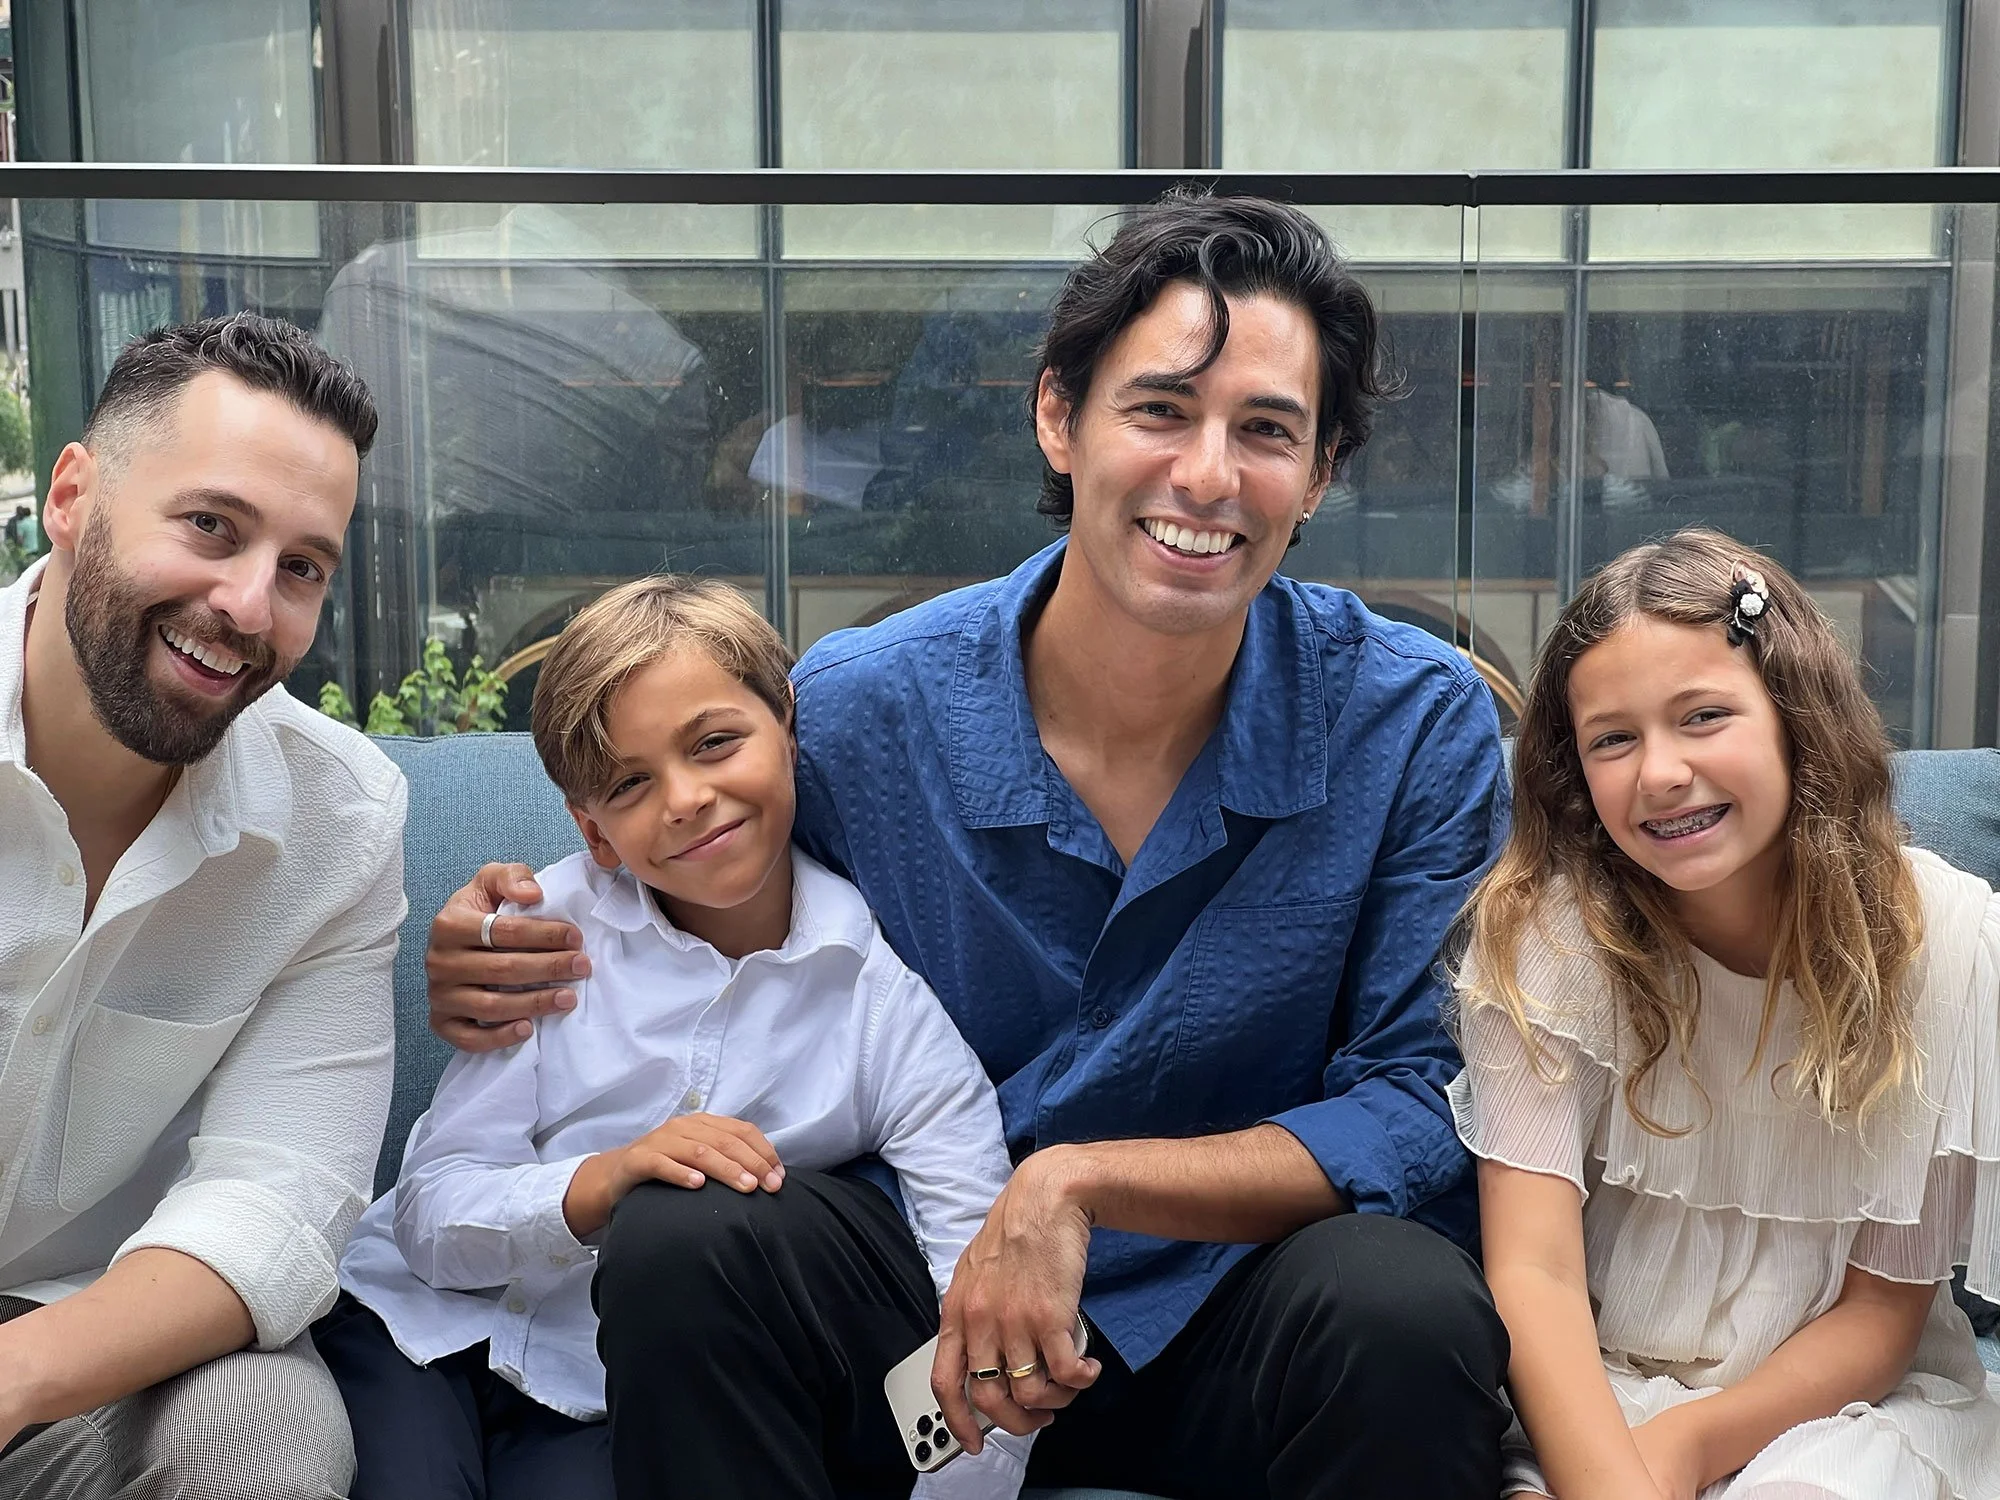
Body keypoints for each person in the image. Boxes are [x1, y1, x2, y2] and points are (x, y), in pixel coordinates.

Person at [424, 191, 1514, 1499]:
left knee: (1405, 1303)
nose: (1210, 475)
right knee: (693, 1236)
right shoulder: (864, 710)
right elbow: (689, 888)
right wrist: (506, 940)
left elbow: (1420, 1107)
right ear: (1060, 417)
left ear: (1321, 474)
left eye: (1267, 432)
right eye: (1160, 410)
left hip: (1251, 1337)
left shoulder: (1413, 717)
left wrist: (1076, 1184)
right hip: (932, 1359)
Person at [321, 575, 1027, 1500]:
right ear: (595, 833)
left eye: (716, 744)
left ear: (788, 726)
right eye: (631, 784)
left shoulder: (876, 1001)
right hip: (419, 1331)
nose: (687, 799)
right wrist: (603, 1180)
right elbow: (430, 1218)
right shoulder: (548, 940)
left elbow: (971, 1269)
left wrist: (955, 1485)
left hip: (598, 1384)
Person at [1452, 527, 2000, 1499]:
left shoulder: (1946, 943)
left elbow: (1879, 1316)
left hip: (1842, 1409)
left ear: (1796, 718)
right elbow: (1531, 1273)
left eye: (1702, 716)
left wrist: (1685, 1454)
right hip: (1593, 1391)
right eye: (1611, 739)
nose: (1657, 772)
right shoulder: (1546, 937)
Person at [0, 313, 400, 1497]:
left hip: (89, 1348)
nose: (246, 603)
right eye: (211, 526)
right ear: (72, 498)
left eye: (302, 568)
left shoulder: (339, 825)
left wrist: (16, 1375)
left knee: (269, 1427)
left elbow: (278, 1196)